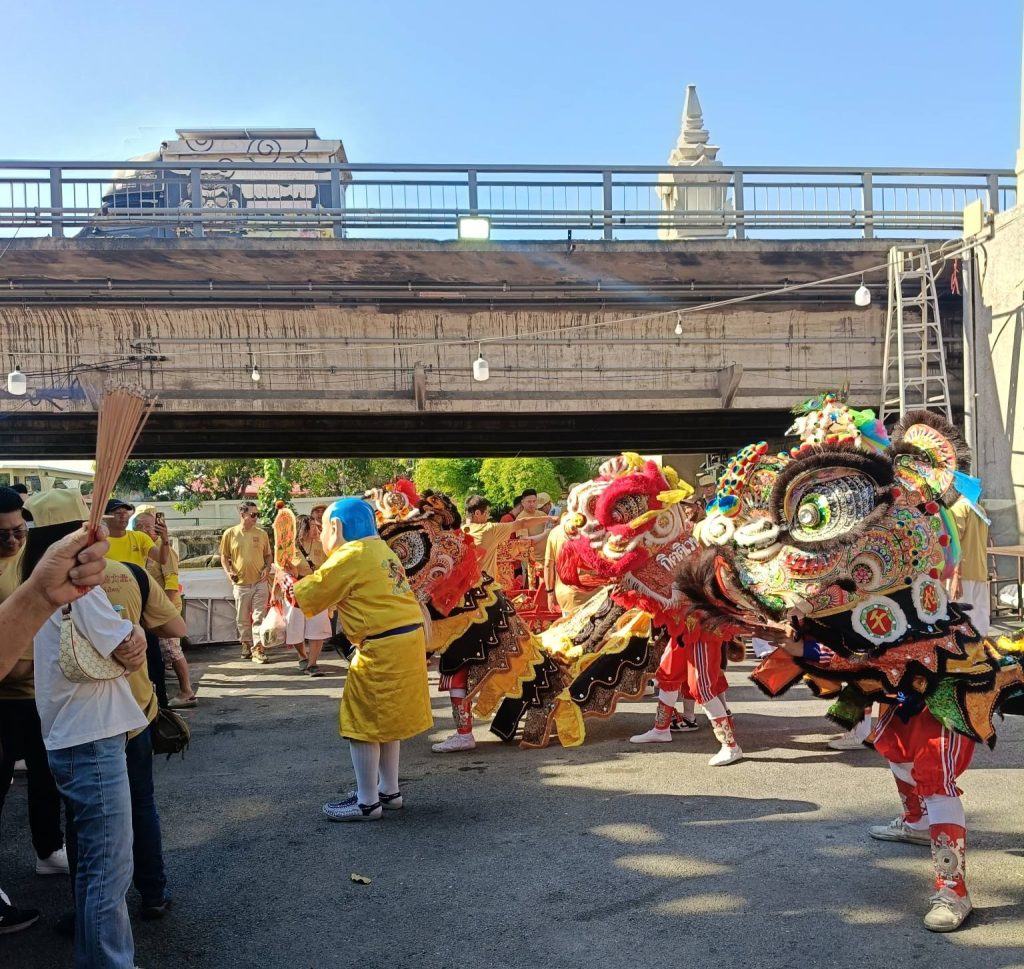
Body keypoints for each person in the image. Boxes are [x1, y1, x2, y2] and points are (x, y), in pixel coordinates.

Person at [22, 490, 149, 967]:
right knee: (109, 869)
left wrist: (129, 636)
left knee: (97, 864)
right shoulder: (80, 590)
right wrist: (131, 631)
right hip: (92, 736)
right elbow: (127, 644)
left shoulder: (34, 585)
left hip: (74, 734)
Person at [293, 498, 432, 822]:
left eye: (322, 528)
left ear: (336, 528)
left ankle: (367, 802)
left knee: (362, 722)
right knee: (387, 720)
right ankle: (389, 790)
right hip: (407, 640)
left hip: (380, 646)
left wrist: (288, 581)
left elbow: (309, 595)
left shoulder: (350, 554)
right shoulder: (381, 550)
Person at [0, 489, 68, 884]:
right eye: (1, 535)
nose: (11, 540)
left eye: (18, 531)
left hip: (39, 695)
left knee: (47, 778)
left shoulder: (36, 561)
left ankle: (48, 850)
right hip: (4, 696)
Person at [134, 509, 196, 707]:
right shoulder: (145, 547)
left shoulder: (163, 549)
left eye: (151, 527)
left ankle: (187, 691)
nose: (150, 530)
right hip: (152, 609)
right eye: (148, 527)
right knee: (166, 651)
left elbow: (171, 582)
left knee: (172, 650)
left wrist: (166, 611)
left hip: (164, 608)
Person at [219, 501, 272, 663]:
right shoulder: (230, 533)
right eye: (253, 515)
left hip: (259, 582)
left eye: (257, 515)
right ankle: (245, 643)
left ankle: (258, 647)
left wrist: (267, 568)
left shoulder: (262, 534)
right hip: (240, 583)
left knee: (259, 617)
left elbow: (268, 555)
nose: (256, 518)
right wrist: (229, 572)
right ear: (242, 515)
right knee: (242, 617)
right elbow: (224, 556)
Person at [462, 495, 548, 585]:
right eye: (487, 513)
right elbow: (522, 523)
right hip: (486, 587)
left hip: (465, 588)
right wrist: (549, 518)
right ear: (477, 513)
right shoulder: (489, 529)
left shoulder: (458, 533)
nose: (488, 517)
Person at [285, 514, 332, 676]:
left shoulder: (322, 544)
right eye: (311, 526)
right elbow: (281, 568)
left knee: (318, 627)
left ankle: (313, 663)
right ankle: (302, 656)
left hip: (317, 588)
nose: (315, 529)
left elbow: (331, 565)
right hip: (297, 590)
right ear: (301, 528)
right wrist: (291, 575)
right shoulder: (290, 547)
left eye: (315, 525)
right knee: (295, 626)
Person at [948, 496, 991, 636]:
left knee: (960, 617)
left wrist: (956, 576)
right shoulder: (980, 509)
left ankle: (966, 653)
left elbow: (955, 543)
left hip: (963, 572)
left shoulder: (958, 508)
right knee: (980, 616)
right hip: (980, 570)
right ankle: (982, 651)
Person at [103, 499, 168, 569]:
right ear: (104, 517)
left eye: (125, 512)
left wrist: (165, 541)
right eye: (118, 513)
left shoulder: (140, 537)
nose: (123, 516)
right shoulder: (98, 542)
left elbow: (162, 559)